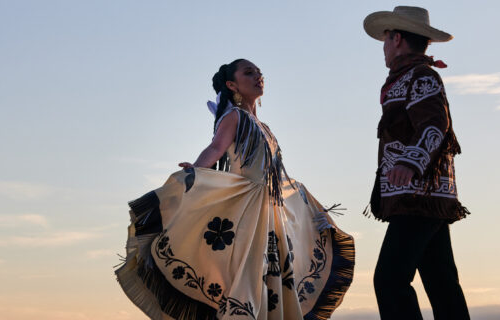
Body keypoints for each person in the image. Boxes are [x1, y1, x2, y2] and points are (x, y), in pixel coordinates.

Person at [115, 59, 354, 320]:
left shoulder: (266, 128)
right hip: (249, 208)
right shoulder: (233, 116)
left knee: (271, 276)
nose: (258, 76)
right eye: (249, 72)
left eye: (260, 73)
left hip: (271, 211)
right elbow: (216, 148)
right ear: (232, 84)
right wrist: (196, 169)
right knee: (249, 273)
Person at [362, 6, 471, 319]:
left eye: (385, 40)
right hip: (426, 196)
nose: (383, 48)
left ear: (396, 39)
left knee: (390, 280)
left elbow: (435, 124)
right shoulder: (409, 78)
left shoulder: (421, 77)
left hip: (418, 195)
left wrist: (410, 163)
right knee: (441, 283)